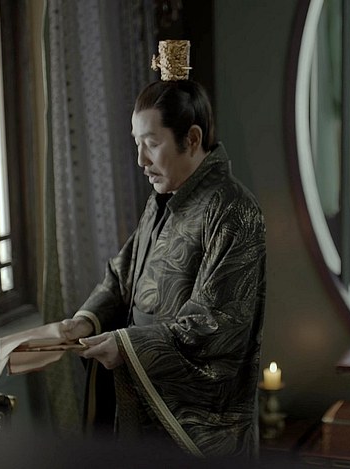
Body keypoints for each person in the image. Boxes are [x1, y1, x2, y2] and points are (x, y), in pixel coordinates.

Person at [57, 40, 267, 460]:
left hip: (194, 423)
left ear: (192, 139)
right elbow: (124, 273)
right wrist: (87, 319)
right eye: (137, 143)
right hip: (141, 396)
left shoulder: (234, 210)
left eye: (151, 143)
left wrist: (127, 346)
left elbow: (216, 324)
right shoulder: (163, 199)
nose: (140, 159)